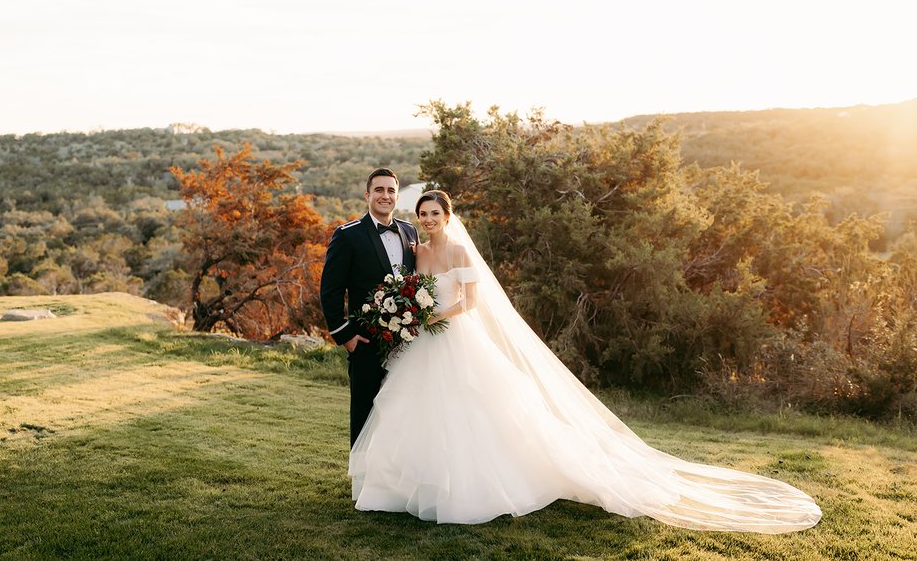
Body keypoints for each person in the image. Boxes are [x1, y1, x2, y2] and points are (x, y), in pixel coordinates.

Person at [348, 190, 822, 532]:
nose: (428, 219)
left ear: (447, 215)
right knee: (421, 410)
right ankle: (411, 487)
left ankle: (474, 485)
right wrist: (413, 312)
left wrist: (435, 316)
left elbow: (471, 302)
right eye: (423, 213)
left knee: (472, 408)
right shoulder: (418, 249)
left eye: (435, 213)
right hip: (425, 340)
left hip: (453, 335)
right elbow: (411, 288)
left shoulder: (455, 248)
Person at [320, 168, 419, 445]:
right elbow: (330, 291)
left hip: (407, 346)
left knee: (401, 416)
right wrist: (346, 336)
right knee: (365, 416)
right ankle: (362, 485)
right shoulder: (347, 235)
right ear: (367, 195)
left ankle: (394, 481)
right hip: (365, 343)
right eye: (379, 190)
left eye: (390, 191)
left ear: (397, 196)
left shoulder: (410, 232)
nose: (385, 196)